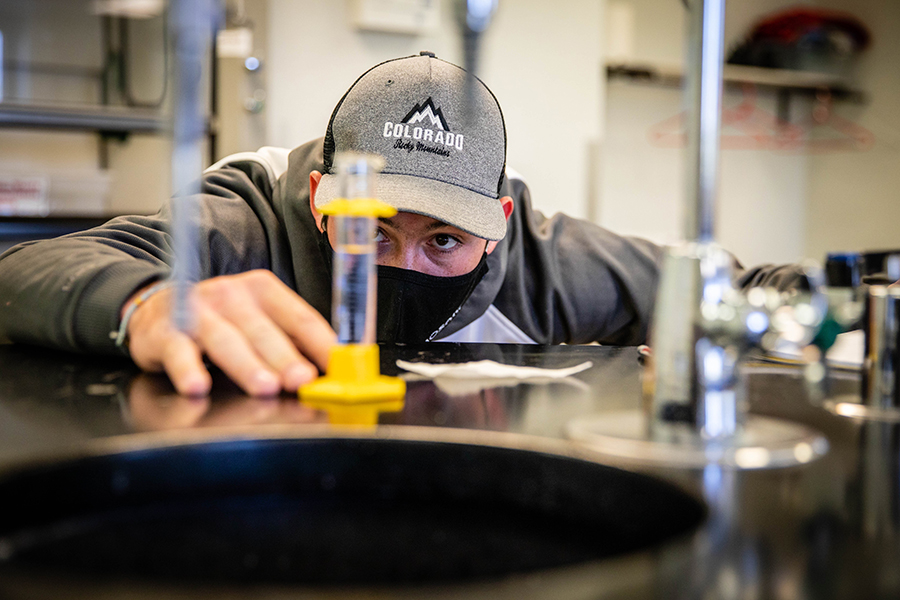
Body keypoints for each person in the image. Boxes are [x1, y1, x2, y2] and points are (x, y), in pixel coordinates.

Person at [0, 52, 804, 397]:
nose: (401, 260)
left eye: (443, 239)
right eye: (370, 231)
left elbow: (740, 287)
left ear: (501, 224)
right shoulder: (244, 228)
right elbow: (27, 272)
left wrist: (778, 309)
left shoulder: (548, 265)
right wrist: (147, 304)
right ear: (319, 197)